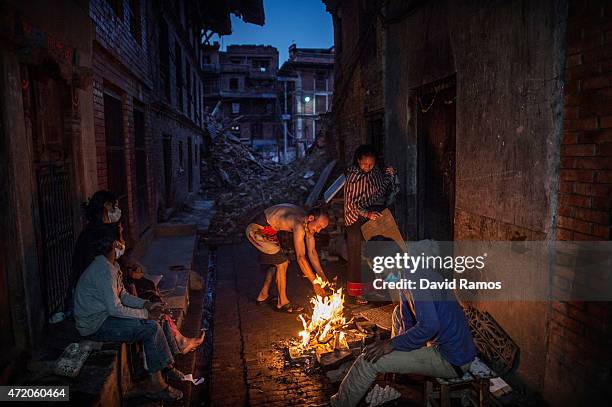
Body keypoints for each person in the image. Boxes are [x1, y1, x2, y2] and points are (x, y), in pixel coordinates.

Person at [329, 240, 477, 407]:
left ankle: (337, 405)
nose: (380, 276)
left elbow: (430, 326)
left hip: (452, 359)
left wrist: (391, 344)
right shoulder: (407, 272)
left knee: (368, 361)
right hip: (451, 346)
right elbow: (406, 315)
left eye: (381, 270)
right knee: (397, 313)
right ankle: (396, 365)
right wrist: (398, 350)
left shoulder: (415, 278)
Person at [73, 224, 184, 401]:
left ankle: (166, 368)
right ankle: (157, 385)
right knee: (150, 328)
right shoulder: (103, 270)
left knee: (159, 317)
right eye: (122, 237)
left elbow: (123, 296)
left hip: (105, 315)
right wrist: (146, 315)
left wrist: (147, 305)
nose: (124, 242)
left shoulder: (111, 265)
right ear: (115, 244)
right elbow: (115, 308)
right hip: (95, 324)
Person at [245, 204, 330, 313]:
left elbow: (312, 252)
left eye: (321, 229)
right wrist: (315, 283)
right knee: (282, 263)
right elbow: (300, 257)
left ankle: (263, 295)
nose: (318, 231)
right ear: (311, 218)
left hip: (269, 229)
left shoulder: (308, 224)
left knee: (276, 261)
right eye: (319, 227)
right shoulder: (299, 224)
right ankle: (282, 303)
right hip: (256, 228)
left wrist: (322, 275)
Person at [120, 251, 205, 354]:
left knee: (157, 302)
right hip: (124, 311)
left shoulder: (123, 260)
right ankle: (179, 344)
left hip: (133, 297)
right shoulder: (110, 269)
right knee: (156, 312)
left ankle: (179, 341)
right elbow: (119, 303)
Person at [344, 145, 394, 303]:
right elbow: (351, 204)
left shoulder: (375, 172)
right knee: (357, 255)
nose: (368, 167)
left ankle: (372, 290)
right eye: (365, 164)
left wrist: (388, 175)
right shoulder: (353, 177)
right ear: (358, 161)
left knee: (371, 253)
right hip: (354, 219)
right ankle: (357, 293)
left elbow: (380, 189)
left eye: (371, 164)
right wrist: (367, 213)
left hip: (368, 216)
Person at [67, 190, 124, 313]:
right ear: (107, 205)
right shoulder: (98, 233)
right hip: (92, 303)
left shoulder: (96, 229)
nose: (117, 210)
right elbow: (118, 252)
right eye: (115, 206)